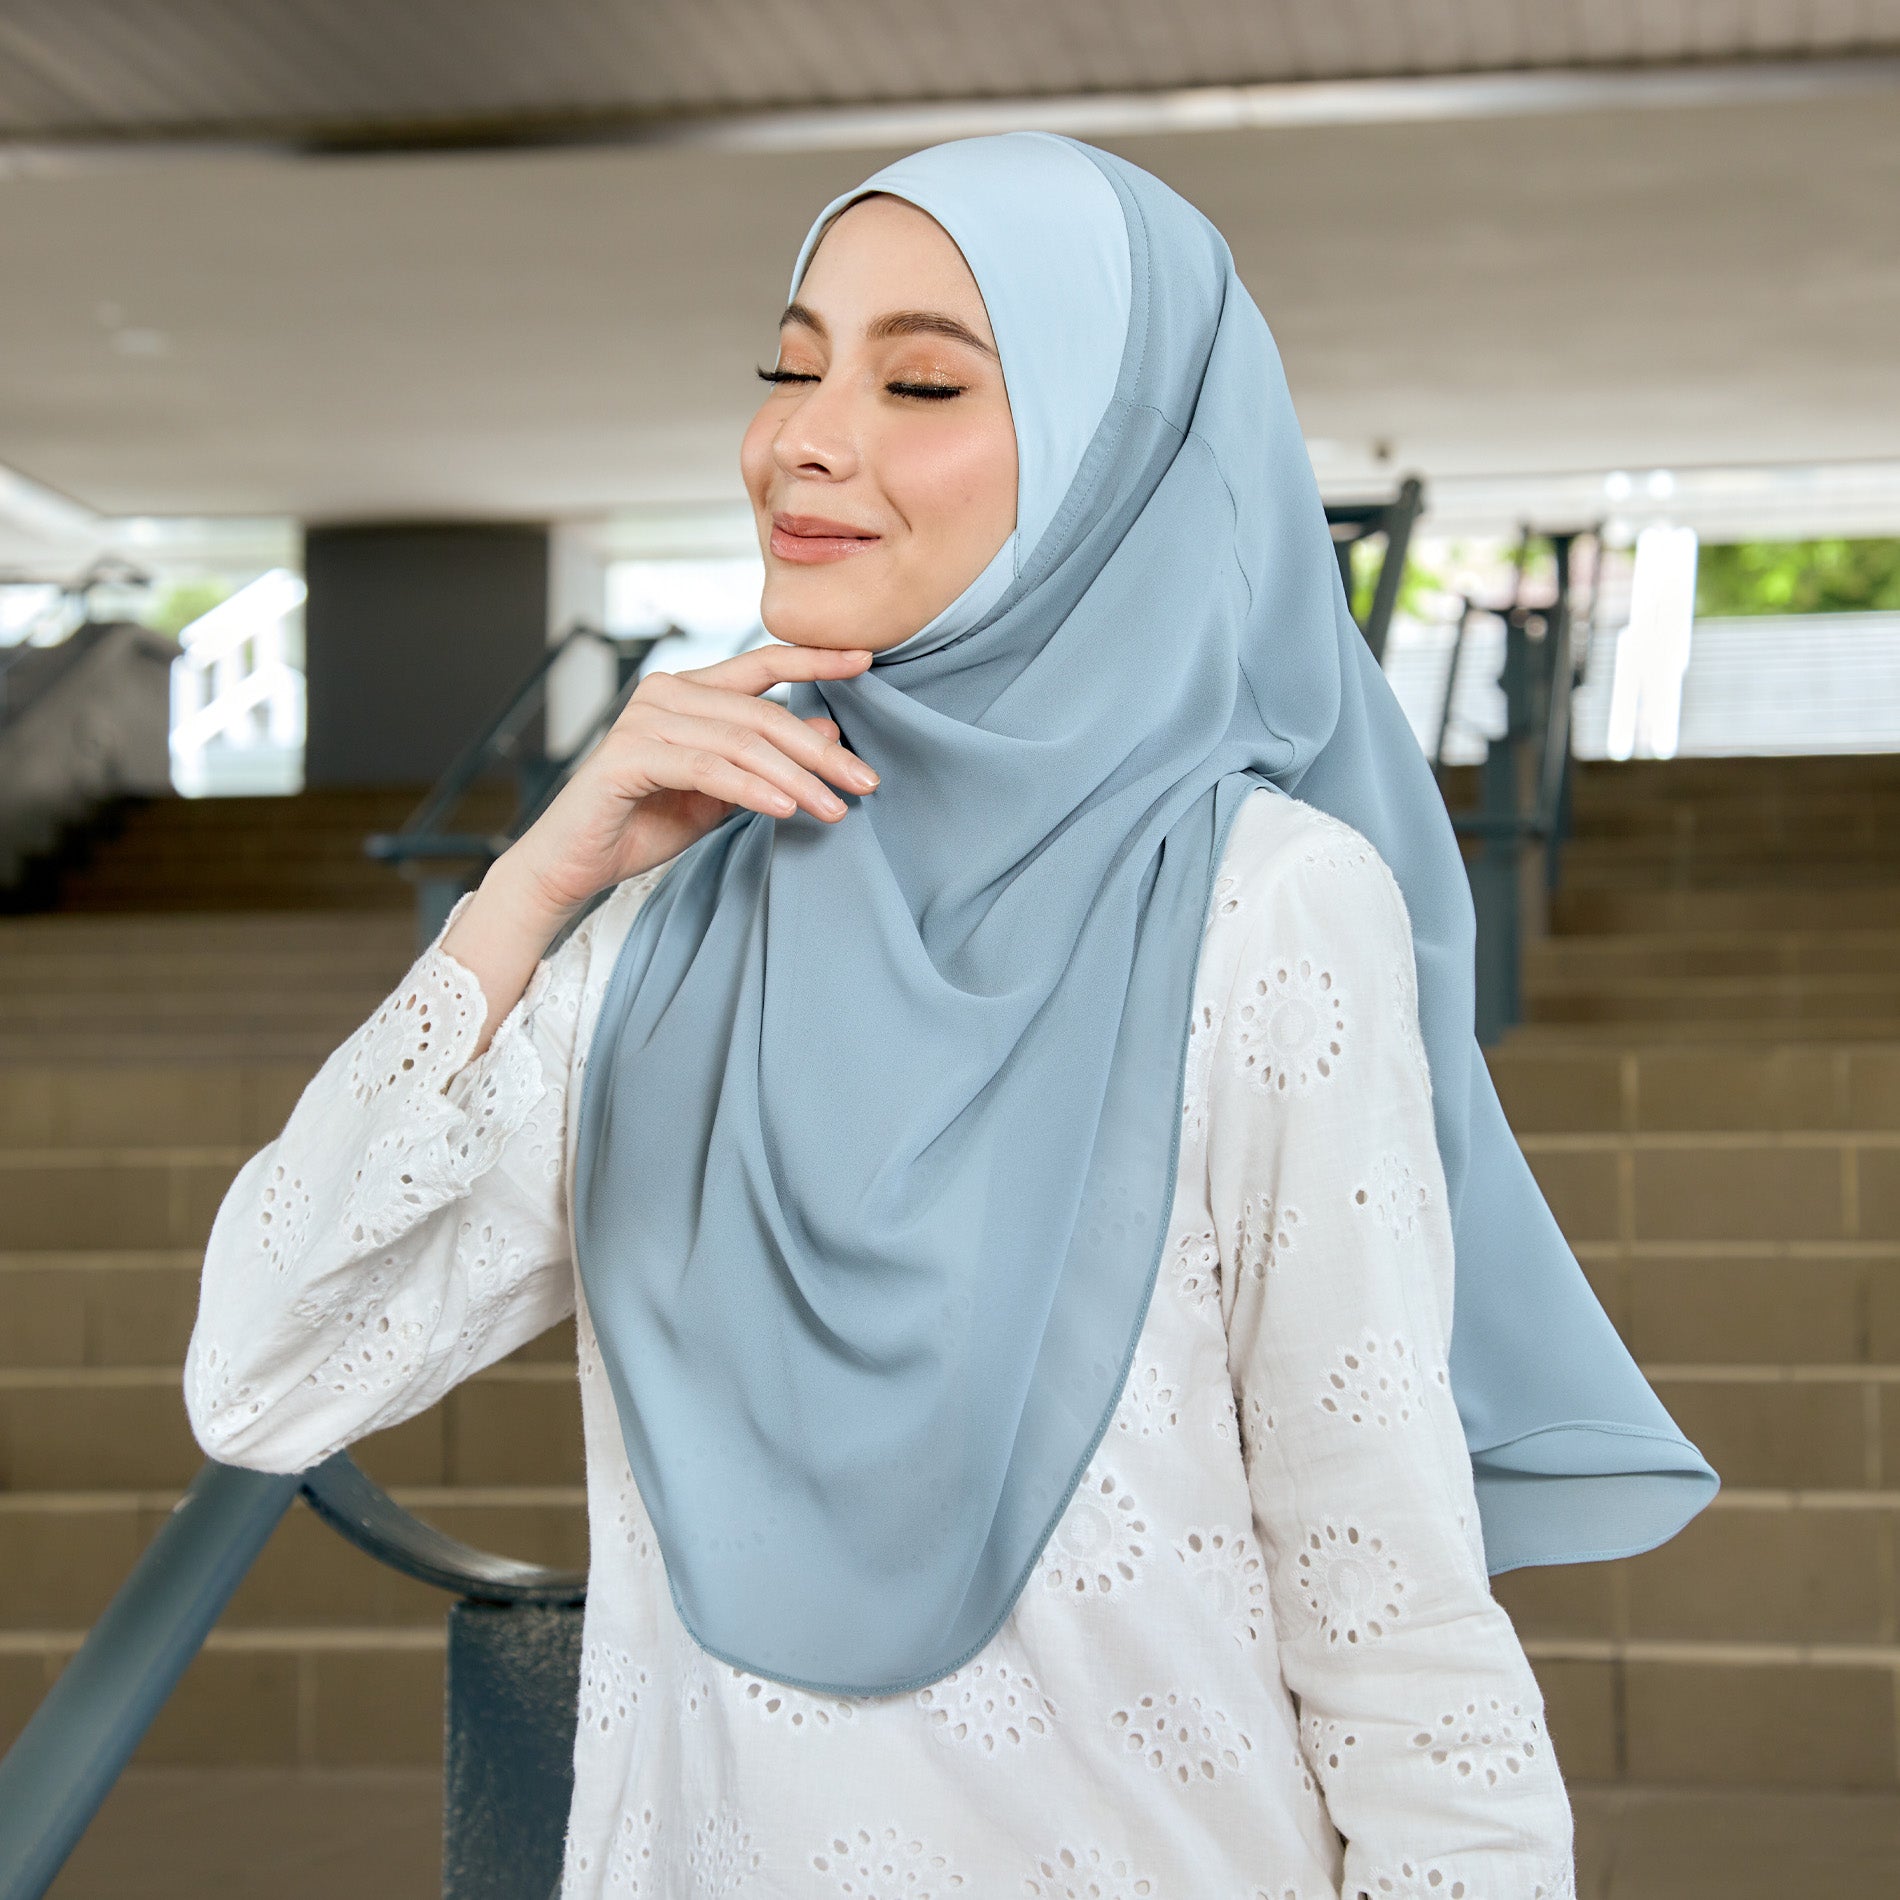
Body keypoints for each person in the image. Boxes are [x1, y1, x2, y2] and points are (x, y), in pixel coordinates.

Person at [185, 132, 1715, 1896]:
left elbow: (1392, 1619)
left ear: (1110, 459)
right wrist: (530, 890)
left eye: (919, 382)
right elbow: (264, 1375)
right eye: (791, 367)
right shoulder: (677, 925)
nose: (805, 438)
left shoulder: (1262, 910)